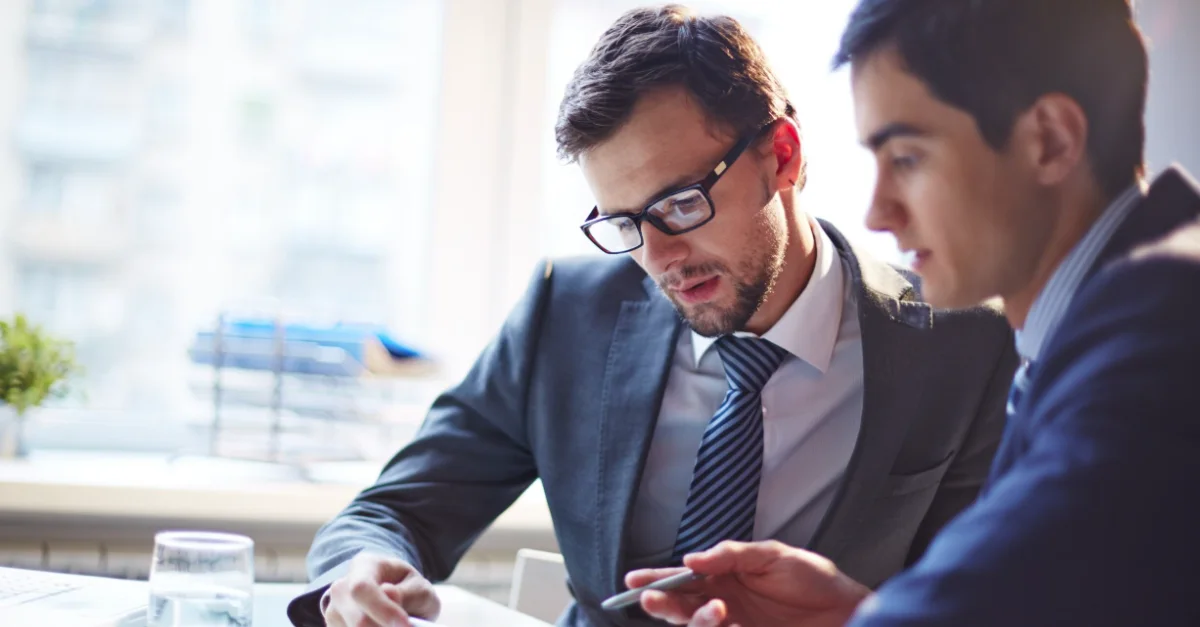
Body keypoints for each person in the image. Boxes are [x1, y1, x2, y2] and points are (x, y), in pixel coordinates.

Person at [286, 6, 1017, 627]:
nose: (661, 253)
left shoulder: (960, 345)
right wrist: (359, 568)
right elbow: (393, 509)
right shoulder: (565, 315)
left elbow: (986, 601)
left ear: (782, 155)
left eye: (678, 204)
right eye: (624, 223)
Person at [631, 0, 1200, 625]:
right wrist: (855, 614)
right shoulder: (1108, 321)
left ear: (1050, 140)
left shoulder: (1164, 335)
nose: (877, 214)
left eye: (906, 157)